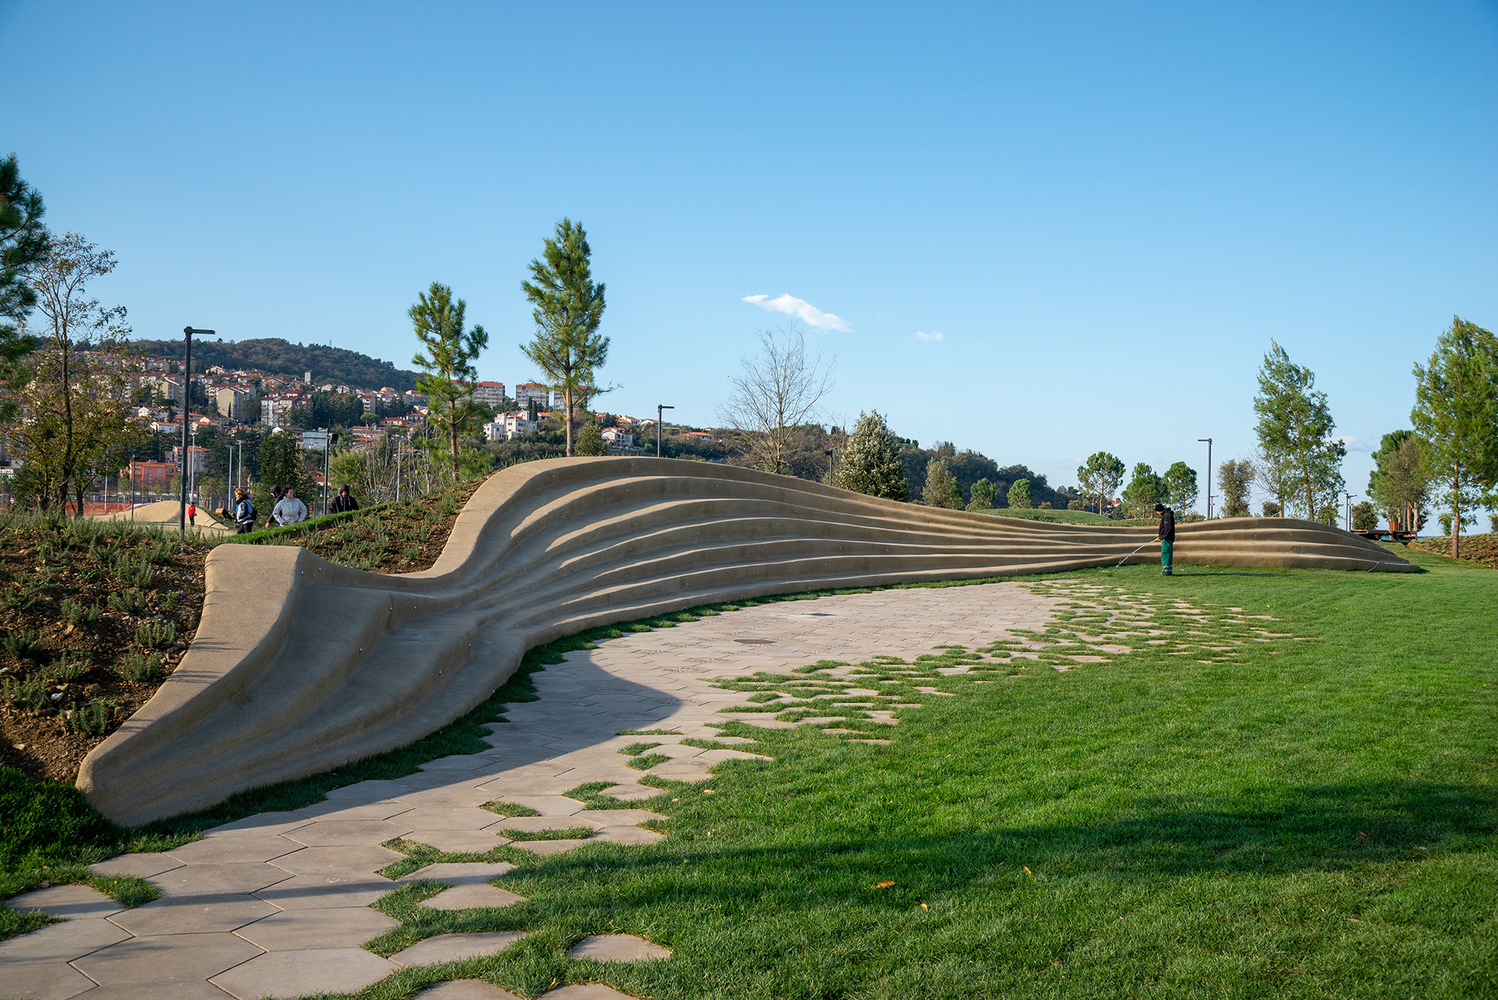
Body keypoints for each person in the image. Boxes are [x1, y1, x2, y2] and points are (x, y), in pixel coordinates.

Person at [1154, 501, 1175, 576]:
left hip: (1167, 539)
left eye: (1157, 511)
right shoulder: (1167, 515)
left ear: (1160, 510)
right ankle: (1168, 571)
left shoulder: (1166, 516)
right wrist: (1160, 537)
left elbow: (1168, 529)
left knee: (1165, 555)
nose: (1157, 513)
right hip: (1167, 538)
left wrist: (1163, 537)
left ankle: (1165, 572)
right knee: (1168, 555)